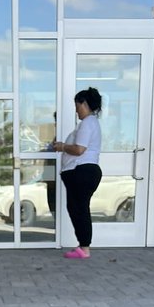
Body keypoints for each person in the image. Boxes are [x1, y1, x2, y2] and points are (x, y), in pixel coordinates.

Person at [54, 87, 102, 261]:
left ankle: (84, 248)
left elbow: (79, 149)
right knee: (78, 208)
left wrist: (62, 147)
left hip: (81, 171)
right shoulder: (91, 122)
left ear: (84, 103)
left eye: (77, 105)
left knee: (79, 209)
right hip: (82, 171)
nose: (76, 110)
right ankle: (83, 245)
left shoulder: (88, 122)